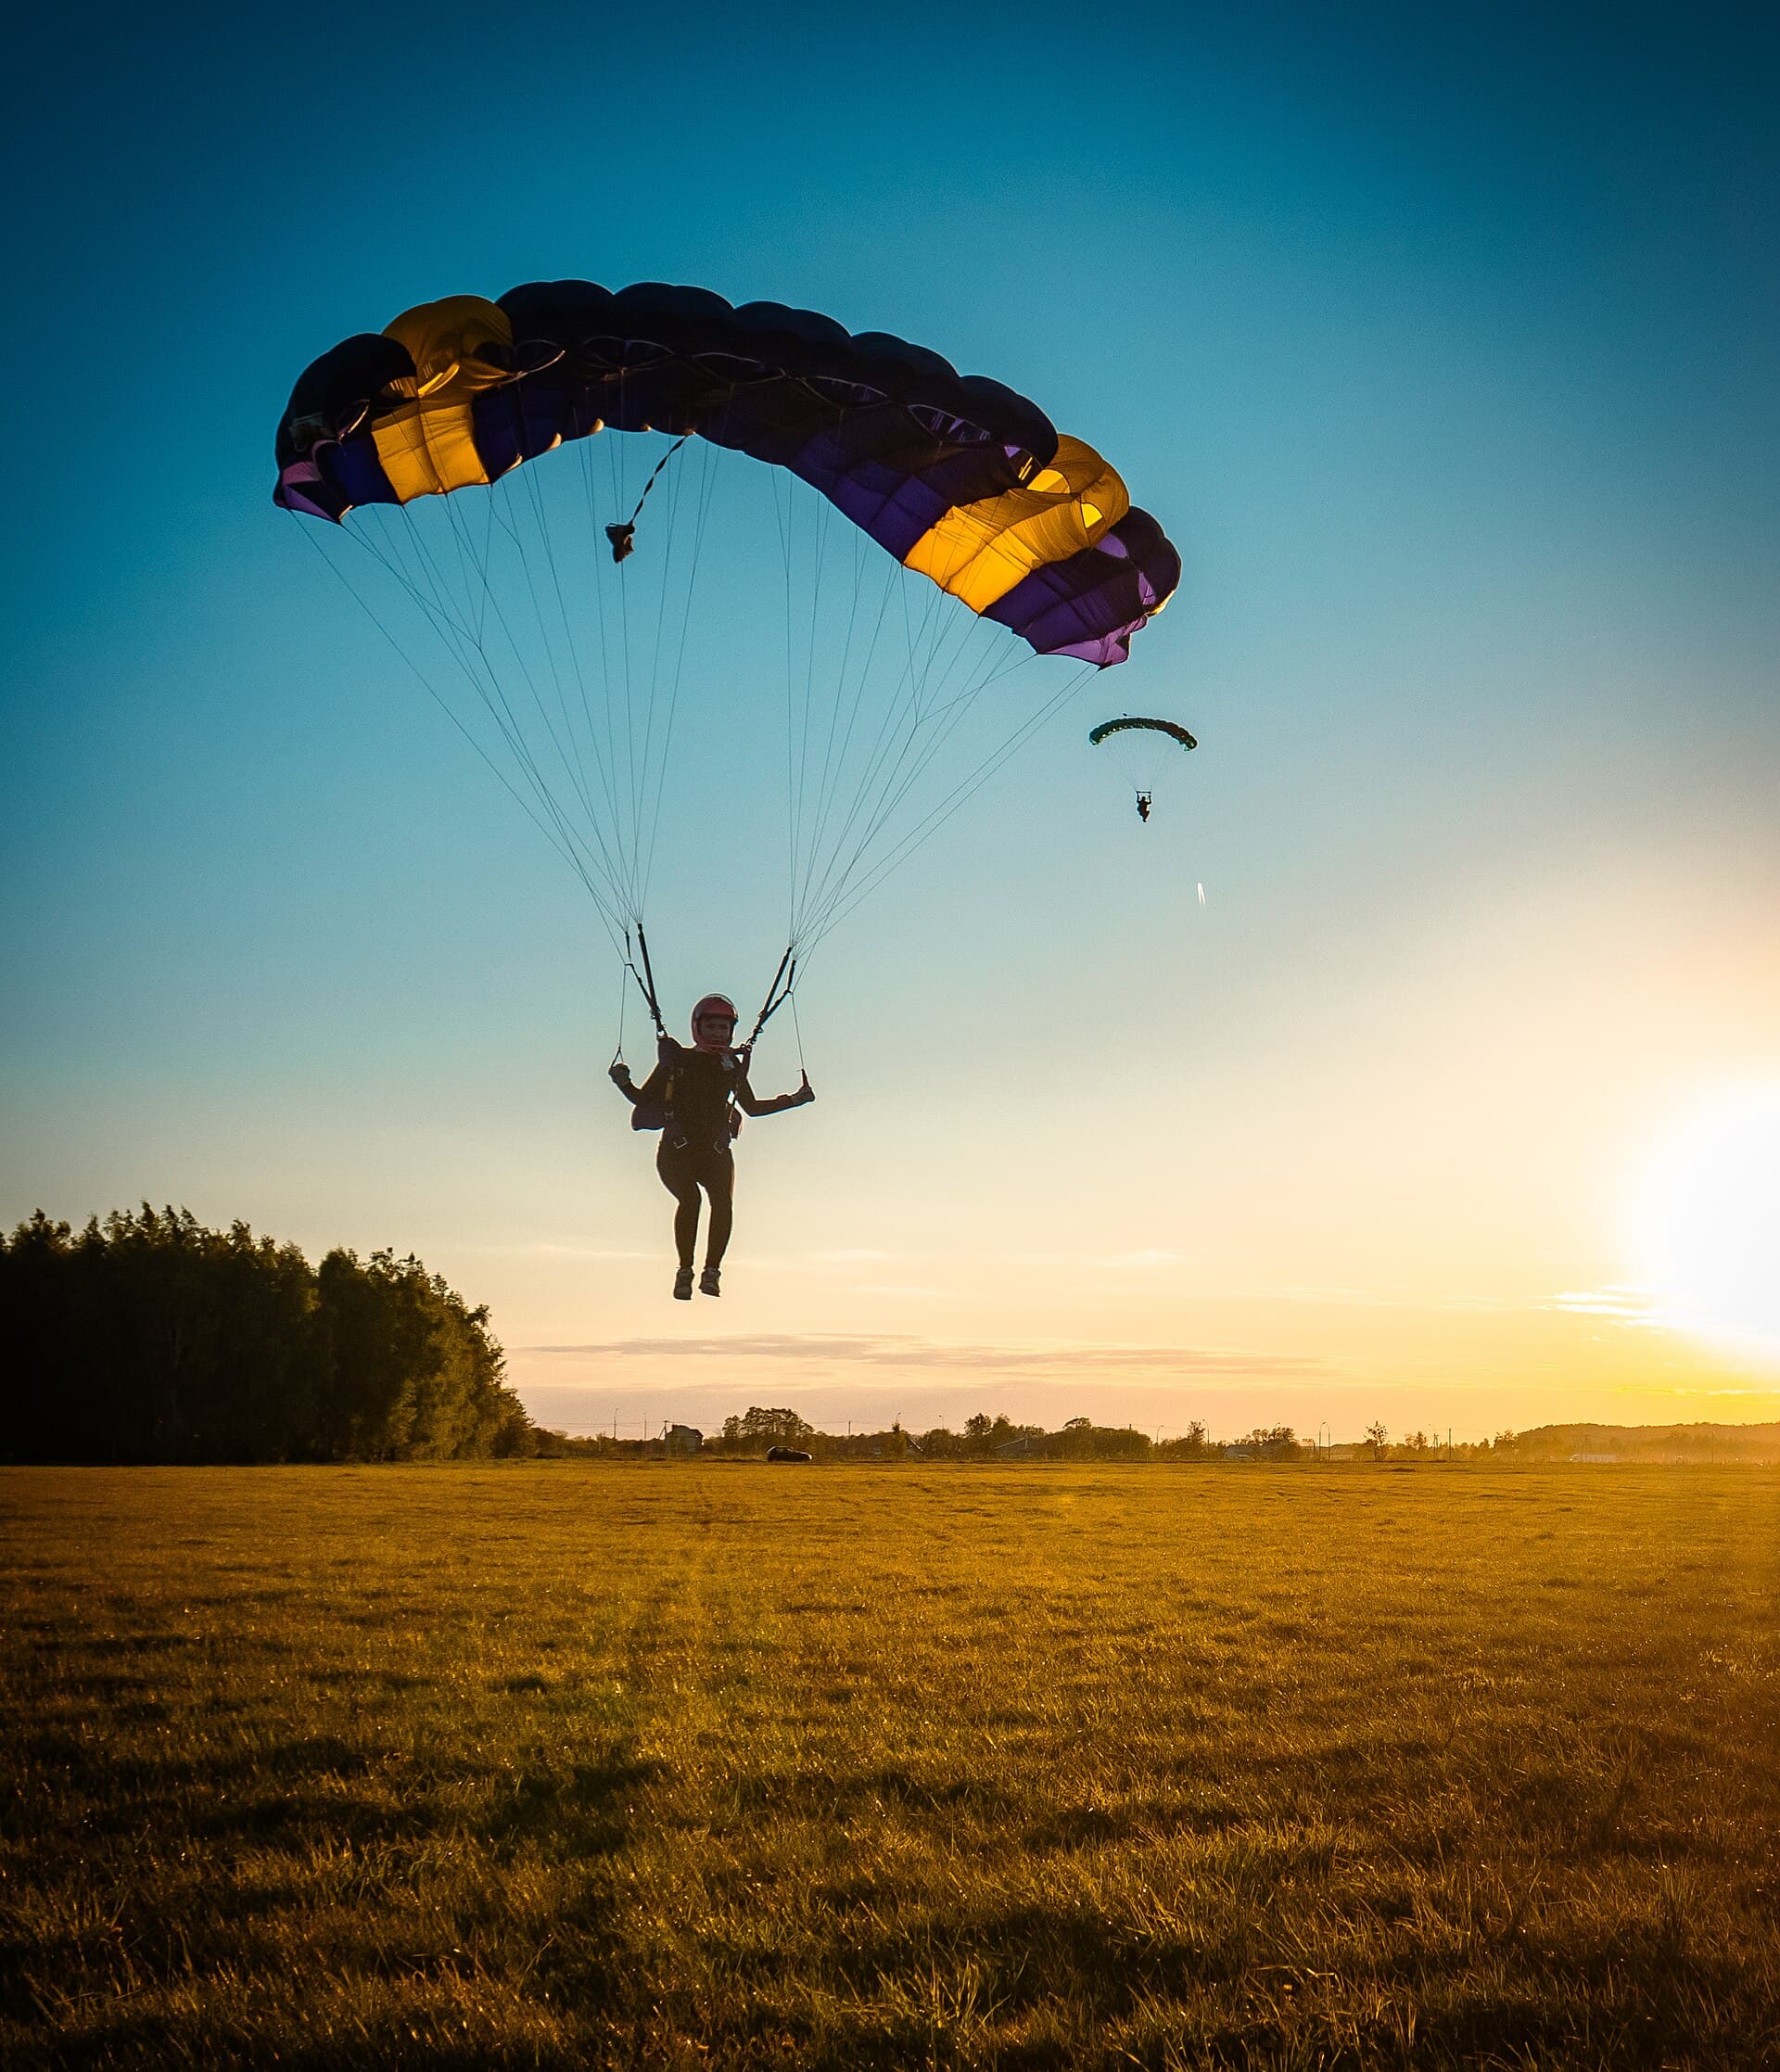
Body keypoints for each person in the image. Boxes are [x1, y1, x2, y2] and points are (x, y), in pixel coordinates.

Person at [609, 993, 814, 1300]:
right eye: (712, 1028)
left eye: (723, 1028)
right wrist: (623, 1082)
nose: (718, 1034)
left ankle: (712, 1272)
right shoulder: (678, 1060)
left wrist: (794, 1100)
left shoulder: (731, 1066)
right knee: (690, 1201)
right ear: (698, 1029)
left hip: (715, 1152)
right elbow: (643, 1099)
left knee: (723, 1203)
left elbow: (753, 1107)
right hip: (677, 1151)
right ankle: (684, 1271)